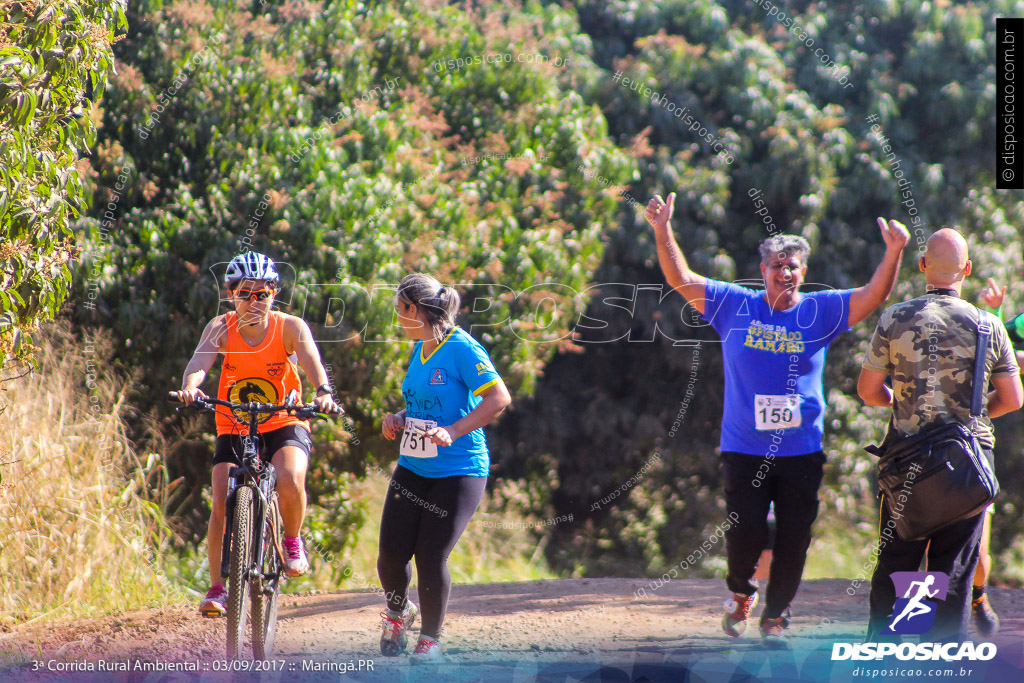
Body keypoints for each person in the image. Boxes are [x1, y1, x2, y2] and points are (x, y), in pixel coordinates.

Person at [645, 191, 909, 649]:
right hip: (744, 448)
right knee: (745, 531)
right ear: (762, 272)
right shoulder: (734, 305)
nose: (784, 273)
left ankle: (777, 614)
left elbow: (873, 296)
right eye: (776, 266)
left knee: (794, 538)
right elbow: (680, 277)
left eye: (793, 267)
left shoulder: (820, 310)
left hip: (801, 449)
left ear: (803, 274)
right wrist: (661, 228)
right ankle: (740, 593)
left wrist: (894, 252)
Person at [858, 230, 1022, 643]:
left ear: (922, 266)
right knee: (951, 571)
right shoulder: (988, 325)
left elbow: (867, 391)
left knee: (898, 560)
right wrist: (977, 412)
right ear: (966, 270)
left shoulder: (894, 318)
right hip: (966, 467)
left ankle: (885, 652)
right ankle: (942, 659)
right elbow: (1013, 398)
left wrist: (898, 400)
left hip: (906, 464)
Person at [174, 252, 341, 617]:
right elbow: (200, 363)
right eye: (245, 293)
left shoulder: (290, 326)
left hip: (284, 418)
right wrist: (190, 386)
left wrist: (323, 392)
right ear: (230, 294)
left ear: (274, 294)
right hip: (233, 421)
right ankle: (218, 587)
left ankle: (293, 540)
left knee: (290, 476)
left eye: (262, 294)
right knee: (221, 498)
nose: (254, 302)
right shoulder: (220, 327)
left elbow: (312, 360)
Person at [377, 273, 512, 663]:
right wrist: (400, 418)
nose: (397, 319)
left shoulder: (462, 348)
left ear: (412, 309)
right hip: (414, 465)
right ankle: (398, 614)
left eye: (399, 310)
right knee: (390, 556)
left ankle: (430, 639)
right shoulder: (420, 347)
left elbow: (498, 398)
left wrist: (453, 430)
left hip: (460, 469)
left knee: (430, 555)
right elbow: (426, 403)